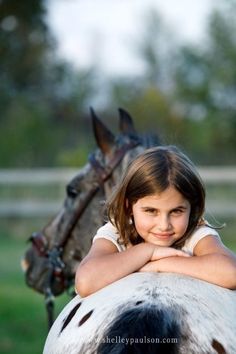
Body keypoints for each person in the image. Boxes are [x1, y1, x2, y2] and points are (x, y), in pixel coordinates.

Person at [75, 146, 236, 297]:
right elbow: (85, 282)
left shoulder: (195, 232)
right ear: (129, 206)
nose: (164, 225)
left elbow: (231, 273)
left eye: (176, 211)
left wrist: (156, 265)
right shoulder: (116, 231)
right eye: (151, 211)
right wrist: (148, 251)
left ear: (192, 208)